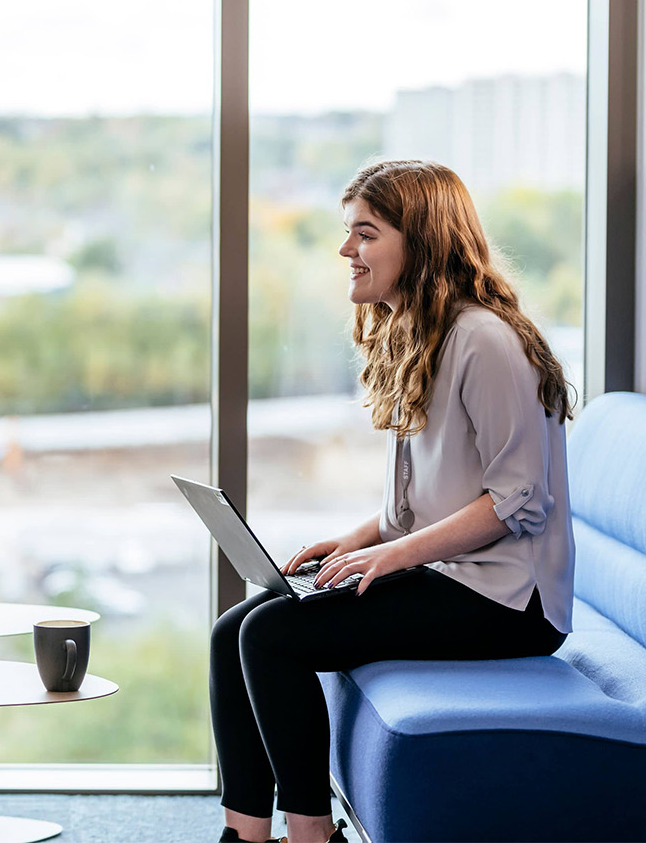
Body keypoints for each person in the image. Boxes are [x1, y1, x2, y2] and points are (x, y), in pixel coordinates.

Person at [212, 160, 574, 843]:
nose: (346, 250)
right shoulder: (419, 330)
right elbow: (426, 500)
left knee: (270, 636)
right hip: (453, 577)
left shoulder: (486, 341)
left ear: (423, 241)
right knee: (234, 627)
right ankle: (245, 835)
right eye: (348, 232)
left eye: (365, 233)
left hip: (511, 602)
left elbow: (519, 500)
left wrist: (391, 554)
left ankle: (312, 835)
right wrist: (359, 538)